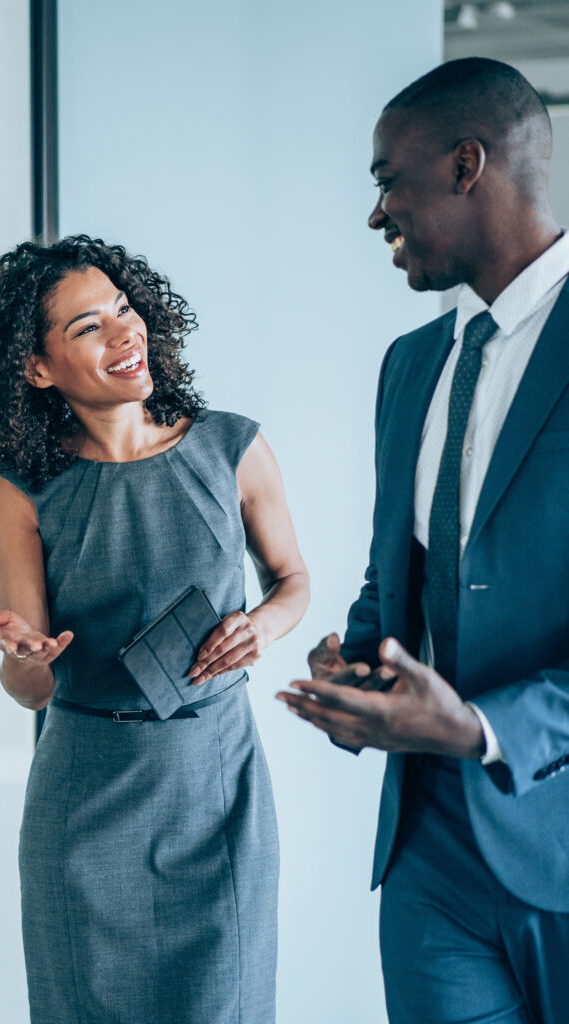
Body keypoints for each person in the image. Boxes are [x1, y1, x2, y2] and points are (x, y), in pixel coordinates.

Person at [0, 234, 309, 1024]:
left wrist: (265, 628)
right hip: (85, 796)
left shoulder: (231, 446)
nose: (125, 332)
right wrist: (25, 657)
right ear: (36, 368)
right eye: (87, 327)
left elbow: (293, 581)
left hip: (215, 786)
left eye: (126, 310)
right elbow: (28, 685)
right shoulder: (23, 488)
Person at [277, 57, 569, 1024]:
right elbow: (394, 573)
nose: (375, 215)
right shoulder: (410, 368)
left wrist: (481, 729)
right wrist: (360, 661)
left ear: (466, 165)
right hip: (426, 850)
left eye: (385, 180)